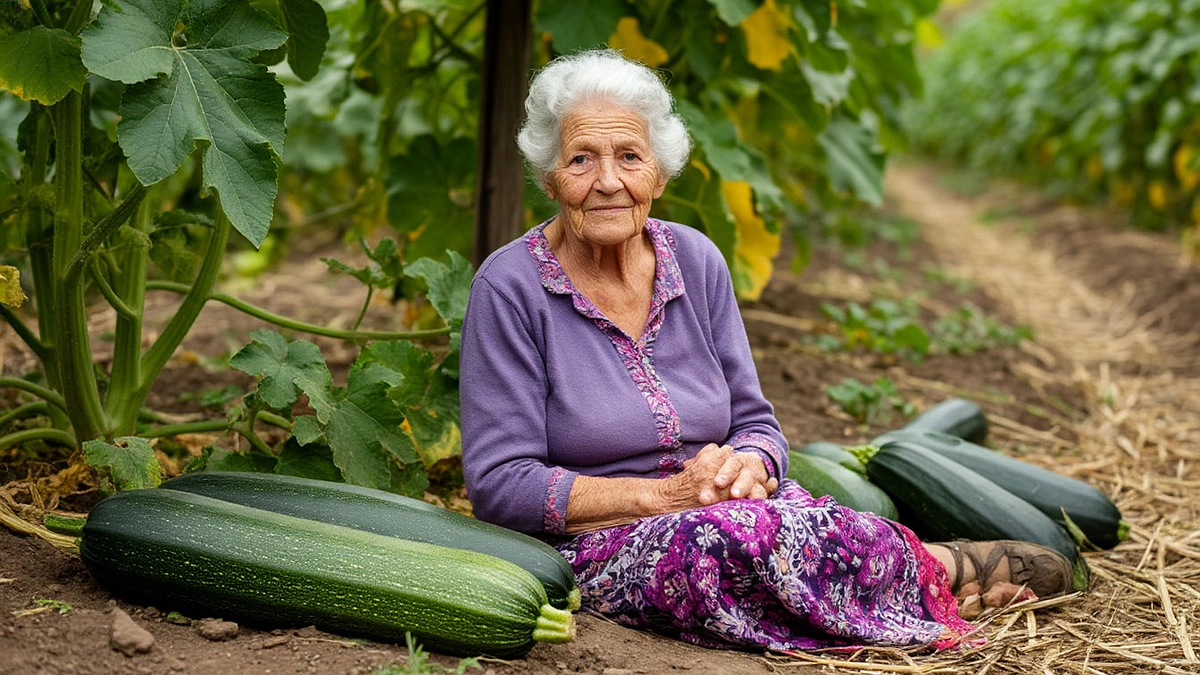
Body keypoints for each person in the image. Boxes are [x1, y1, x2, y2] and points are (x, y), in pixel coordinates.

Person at [459, 49, 1073, 651]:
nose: (609, 181)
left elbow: (756, 423)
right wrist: (663, 498)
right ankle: (936, 576)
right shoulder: (510, 288)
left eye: (629, 156)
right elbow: (501, 484)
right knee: (725, 547)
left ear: (660, 172)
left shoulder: (695, 260)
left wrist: (754, 465)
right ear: (547, 176)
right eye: (581, 160)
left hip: (734, 507)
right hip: (596, 542)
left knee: (810, 520)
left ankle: (908, 582)